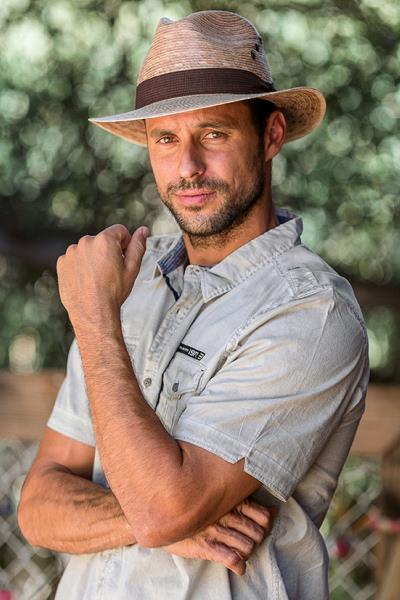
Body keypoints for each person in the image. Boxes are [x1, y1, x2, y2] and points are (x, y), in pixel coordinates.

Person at [18, 10, 370, 599]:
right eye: (165, 139)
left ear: (272, 135)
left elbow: (165, 508)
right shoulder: (131, 284)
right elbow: (38, 507)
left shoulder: (311, 313)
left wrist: (94, 318)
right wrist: (154, 521)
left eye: (213, 133)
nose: (187, 168)